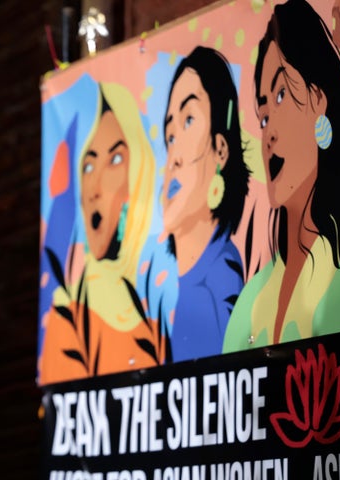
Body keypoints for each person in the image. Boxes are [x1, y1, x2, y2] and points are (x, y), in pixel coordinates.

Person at [224, 0, 340, 352]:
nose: (269, 135)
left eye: (281, 95)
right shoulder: (251, 299)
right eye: (263, 118)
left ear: (319, 99)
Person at [38, 82, 160, 385]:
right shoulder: (69, 314)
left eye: (115, 159)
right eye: (88, 165)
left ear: (139, 174)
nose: (95, 187)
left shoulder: (153, 306)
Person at [139, 46, 249, 362]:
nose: (172, 156)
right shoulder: (173, 284)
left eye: (189, 120)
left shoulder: (218, 281)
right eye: (170, 136)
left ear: (220, 150)